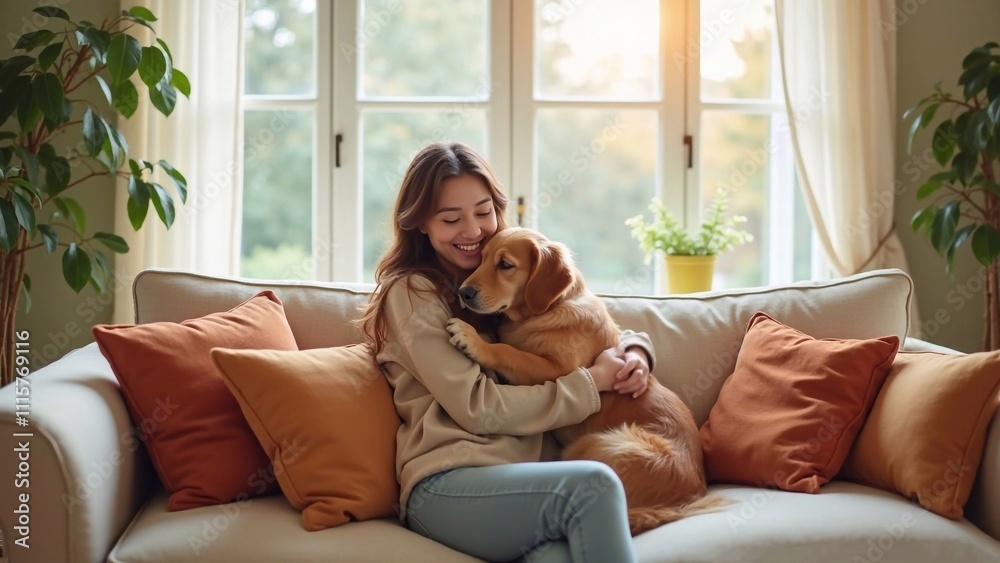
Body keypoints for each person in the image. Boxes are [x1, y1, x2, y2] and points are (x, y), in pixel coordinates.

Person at [359, 142, 656, 563]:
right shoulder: (413, 294)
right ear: (421, 224)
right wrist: (592, 384)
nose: (473, 231)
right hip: (449, 485)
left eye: (483, 212)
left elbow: (579, 324)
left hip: (522, 484)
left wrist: (634, 351)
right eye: (450, 218)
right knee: (595, 485)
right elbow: (480, 408)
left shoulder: (500, 281)